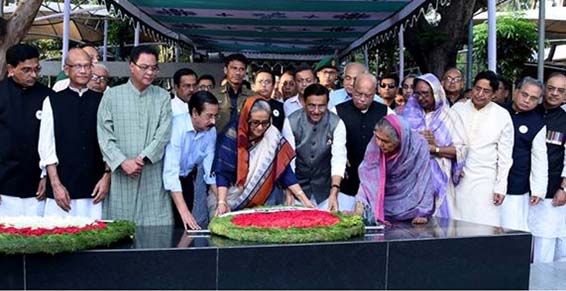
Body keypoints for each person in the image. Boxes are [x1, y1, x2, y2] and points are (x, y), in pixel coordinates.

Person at [97, 45, 173, 225]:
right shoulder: (111, 96)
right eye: (144, 67)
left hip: (151, 172)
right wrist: (123, 162)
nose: (149, 72)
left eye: (154, 68)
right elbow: (104, 134)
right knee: (119, 229)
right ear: (131, 66)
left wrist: (141, 159)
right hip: (121, 174)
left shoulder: (162, 96)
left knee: (155, 229)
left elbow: (164, 133)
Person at [211, 97, 314, 216]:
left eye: (265, 123)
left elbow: (284, 170)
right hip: (228, 196)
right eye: (255, 122)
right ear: (246, 118)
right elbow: (223, 171)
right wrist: (222, 202)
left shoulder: (271, 134)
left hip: (261, 199)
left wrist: (304, 200)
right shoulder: (232, 135)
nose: (260, 128)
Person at [39, 48, 109, 218]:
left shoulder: (104, 100)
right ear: (66, 69)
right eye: (77, 66)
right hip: (62, 186)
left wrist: (107, 178)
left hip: (95, 186)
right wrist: (55, 184)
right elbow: (46, 145)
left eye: (87, 66)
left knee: (96, 238)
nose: (83, 71)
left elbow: (111, 144)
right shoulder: (53, 100)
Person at [399, 73, 468, 218]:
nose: (421, 98)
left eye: (425, 94)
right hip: (412, 180)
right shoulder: (408, 115)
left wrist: (435, 148)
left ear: (436, 93)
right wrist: (416, 140)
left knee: (441, 223)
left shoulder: (449, 116)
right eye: (417, 93)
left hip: (440, 177)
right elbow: (397, 145)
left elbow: (461, 150)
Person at [451, 71, 514, 227]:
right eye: (477, 89)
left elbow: (505, 156)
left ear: (493, 94)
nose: (480, 94)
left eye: (486, 91)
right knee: (455, 224)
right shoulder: (458, 109)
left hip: (486, 181)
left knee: (482, 226)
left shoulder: (502, 115)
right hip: (457, 178)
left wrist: (501, 187)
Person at [0, 44, 52, 216]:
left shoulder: (48, 96)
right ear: (11, 69)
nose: (33, 75)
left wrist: (46, 177)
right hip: (4, 185)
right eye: (26, 70)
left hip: (37, 185)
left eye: (36, 69)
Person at [355, 115, 435, 224]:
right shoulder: (374, 145)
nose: (379, 144)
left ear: (400, 139)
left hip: (411, 207)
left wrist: (423, 212)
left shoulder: (419, 146)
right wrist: (360, 205)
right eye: (377, 138)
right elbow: (367, 179)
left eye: (385, 141)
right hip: (383, 206)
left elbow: (425, 179)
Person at [283, 84, 348, 210]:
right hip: (297, 189)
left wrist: (334, 190)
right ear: (304, 103)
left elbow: (339, 158)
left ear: (328, 103)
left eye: (321, 106)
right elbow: (288, 160)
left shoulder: (337, 123)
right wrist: (290, 190)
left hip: (325, 190)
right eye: (312, 105)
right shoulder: (291, 122)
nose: (316, 111)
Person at [163, 91, 219, 230]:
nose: (213, 121)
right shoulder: (176, 126)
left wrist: (222, 200)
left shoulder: (210, 131)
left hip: (187, 180)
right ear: (194, 112)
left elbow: (209, 170)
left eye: (215, 116)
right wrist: (184, 212)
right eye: (209, 116)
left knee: (186, 228)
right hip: (165, 184)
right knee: (170, 227)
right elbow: (171, 172)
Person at [335, 74, 392, 204]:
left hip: (375, 181)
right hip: (346, 183)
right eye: (358, 94)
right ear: (352, 90)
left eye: (368, 96)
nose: (362, 99)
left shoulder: (385, 112)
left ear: (375, 94)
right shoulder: (337, 111)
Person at [500, 76, 547, 231]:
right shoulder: (498, 111)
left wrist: (538, 189)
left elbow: (539, 158)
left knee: (511, 227)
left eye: (533, 98)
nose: (527, 100)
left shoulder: (538, 123)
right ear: (516, 92)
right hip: (489, 179)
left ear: (539, 101)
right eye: (524, 94)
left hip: (517, 184)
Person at [531, 72, 566, 262]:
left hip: (552, 191)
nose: (554, 93)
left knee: (545, 240)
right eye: (551, 88)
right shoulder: (530, 111)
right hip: (522, 188)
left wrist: (564, 188)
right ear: (544, 88)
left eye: (560, 91)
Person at [214, 53, 253, 134]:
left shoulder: (253, 97)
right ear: (225, 70)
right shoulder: (213, 95)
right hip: (218, 142)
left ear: (245, 72)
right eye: (234, 68)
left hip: (244, 143)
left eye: (241, 69)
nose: (238, 73)